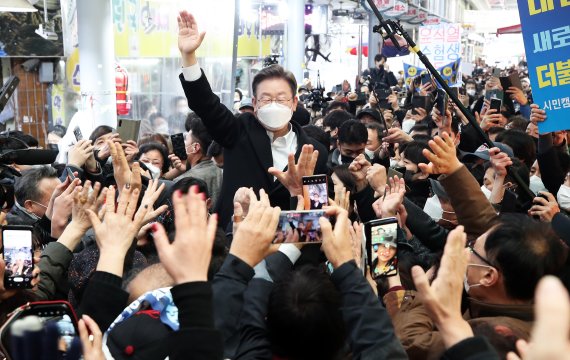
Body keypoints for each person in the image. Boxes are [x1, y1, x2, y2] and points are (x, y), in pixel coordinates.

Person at [176, 11, 328, 228]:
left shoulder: (315, 152)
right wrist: (189, 58)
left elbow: (315, 213)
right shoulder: (238, 131)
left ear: (294, 103)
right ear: (255, 104)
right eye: (266, 99)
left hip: (289, 248)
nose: (273, 104)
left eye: (281, 98)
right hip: (235, 242)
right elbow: (206, 105)